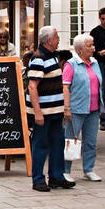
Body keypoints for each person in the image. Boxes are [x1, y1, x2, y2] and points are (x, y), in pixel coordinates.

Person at [26, 26, 71, 192]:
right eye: (57, 37)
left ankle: (56, 176)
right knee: (41, 144)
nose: (59, 39)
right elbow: (32, 87)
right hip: (44, 112)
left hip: (55, 110)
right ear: (49, 40)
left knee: (57, 143)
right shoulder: (38, 58)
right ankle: (38, 179)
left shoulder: (53, 56)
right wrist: (38, 112)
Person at [62, 34, 105, 183]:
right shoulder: (71, 64)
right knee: (70, 140)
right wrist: (67, 108)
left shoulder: (94, 62)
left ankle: (89, 169)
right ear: (80, 50)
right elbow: (66, 87)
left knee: (90, 141)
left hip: (93, 108)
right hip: (76, 108)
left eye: (92, 45)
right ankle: (65, 170)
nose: (93, 48)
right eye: (89, 45)